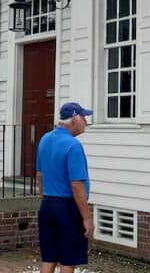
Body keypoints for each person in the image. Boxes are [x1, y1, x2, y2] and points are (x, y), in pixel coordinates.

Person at [36, 102, 94, 273]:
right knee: (68, 259)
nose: (86, 122)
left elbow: (40, 176)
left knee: (49, 257)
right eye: (84, 117)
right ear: (75, 119)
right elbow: (77, 185)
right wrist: (86, 217)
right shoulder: (73, 146)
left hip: (47, 205)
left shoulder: (45, 139)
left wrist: (46, 199)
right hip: (68, 208)